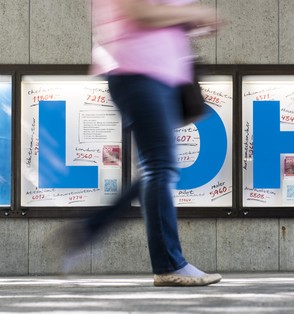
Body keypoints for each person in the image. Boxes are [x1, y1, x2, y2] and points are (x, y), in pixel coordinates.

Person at [63, 0, 223, 286]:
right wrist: (194, 13)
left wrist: (191, 23)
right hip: (138, 73)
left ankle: (89, 227)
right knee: (159, 167)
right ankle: (169, 264)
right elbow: (142, 13)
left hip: (159, 76)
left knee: (160, 167)